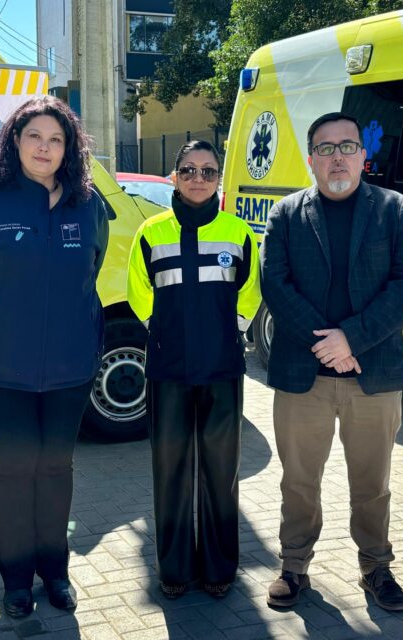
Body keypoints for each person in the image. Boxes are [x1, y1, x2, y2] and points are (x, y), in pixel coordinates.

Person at [0, 96, 108, 619]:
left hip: (70, 368)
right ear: (14, 142)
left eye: (56, 139)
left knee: (56, 469)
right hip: (1, 371)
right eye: (34, 136)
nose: (45, 147)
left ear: (69, 149)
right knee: (14, 473)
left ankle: (55, 572)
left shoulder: (88, 205)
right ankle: (16, 580)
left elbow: (92, 269)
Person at [259, 112, 403, 612]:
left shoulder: (396, 210)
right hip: (302, 376)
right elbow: (275, 285)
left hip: (372, 376)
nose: (337, 157)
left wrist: (351, 338)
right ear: (310, 158)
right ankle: (294, 567)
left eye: (347, 146)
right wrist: (325, 344)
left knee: (372, 484)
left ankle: (376, 568)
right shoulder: (286, 214)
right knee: (298, 482)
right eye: (325, 148)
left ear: (362, 155)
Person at [126, 140, 262, 600]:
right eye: (189, 170)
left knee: (221, 473)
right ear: (174, 177)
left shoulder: (238, 232)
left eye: (208, 171)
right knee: (171, 471)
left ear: (219, 178)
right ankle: (175, 568)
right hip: (167, 372)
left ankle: (220, 568)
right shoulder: (151, 232)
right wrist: (160, 332)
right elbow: (139, 292)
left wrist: (232, 331)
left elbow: (250, 292)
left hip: (222, 370)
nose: (198, 178)